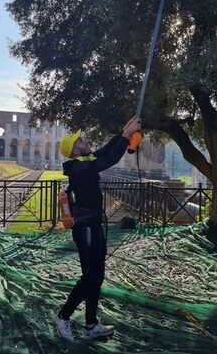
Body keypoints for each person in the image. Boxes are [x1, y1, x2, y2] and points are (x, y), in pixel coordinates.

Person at [54, 117, 142, 341]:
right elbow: (109, 159)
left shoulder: (84, 162)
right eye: (80, 140)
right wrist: (125, 136)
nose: (84, 141)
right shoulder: (80, 168)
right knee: (90, 277)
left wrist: (124, 130)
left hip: (94, 226)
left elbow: (104, 151)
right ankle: (63, 316)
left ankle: (91, 325)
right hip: (86, 230)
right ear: (74, 150)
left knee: (98, 275)